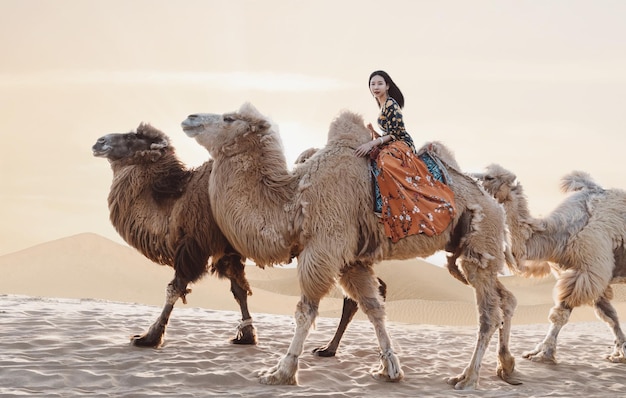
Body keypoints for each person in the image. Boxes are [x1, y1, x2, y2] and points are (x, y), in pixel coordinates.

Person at [355, 70, 456, 243]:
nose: (376, 87)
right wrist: (374, 134)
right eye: (372, 84)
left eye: (379, 83)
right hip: (391, 141)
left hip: (402, 144)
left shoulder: (392, 105)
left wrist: (373, 143)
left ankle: (401, 204)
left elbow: (396, 133)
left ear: (387, 86)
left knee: (386, 163)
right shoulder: (382, 105)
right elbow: (387, 132)